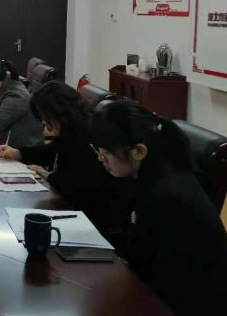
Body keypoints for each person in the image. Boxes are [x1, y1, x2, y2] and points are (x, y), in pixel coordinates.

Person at [89, 100, 227, 316]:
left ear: (138, 151)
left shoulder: (167, 196)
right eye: (97, 151)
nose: (100, 159)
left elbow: (168, 282)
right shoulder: (153, 174)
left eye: (106, 153)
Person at [0, 82, 132, 233]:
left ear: (60, 113)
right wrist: (19, 153)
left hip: (95, 219)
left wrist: (47, 175)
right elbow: (52, 151)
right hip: (76, 208)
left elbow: (75, 184)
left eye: (45, 117)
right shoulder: (72, 128)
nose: (43, 123)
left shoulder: (88, 135)